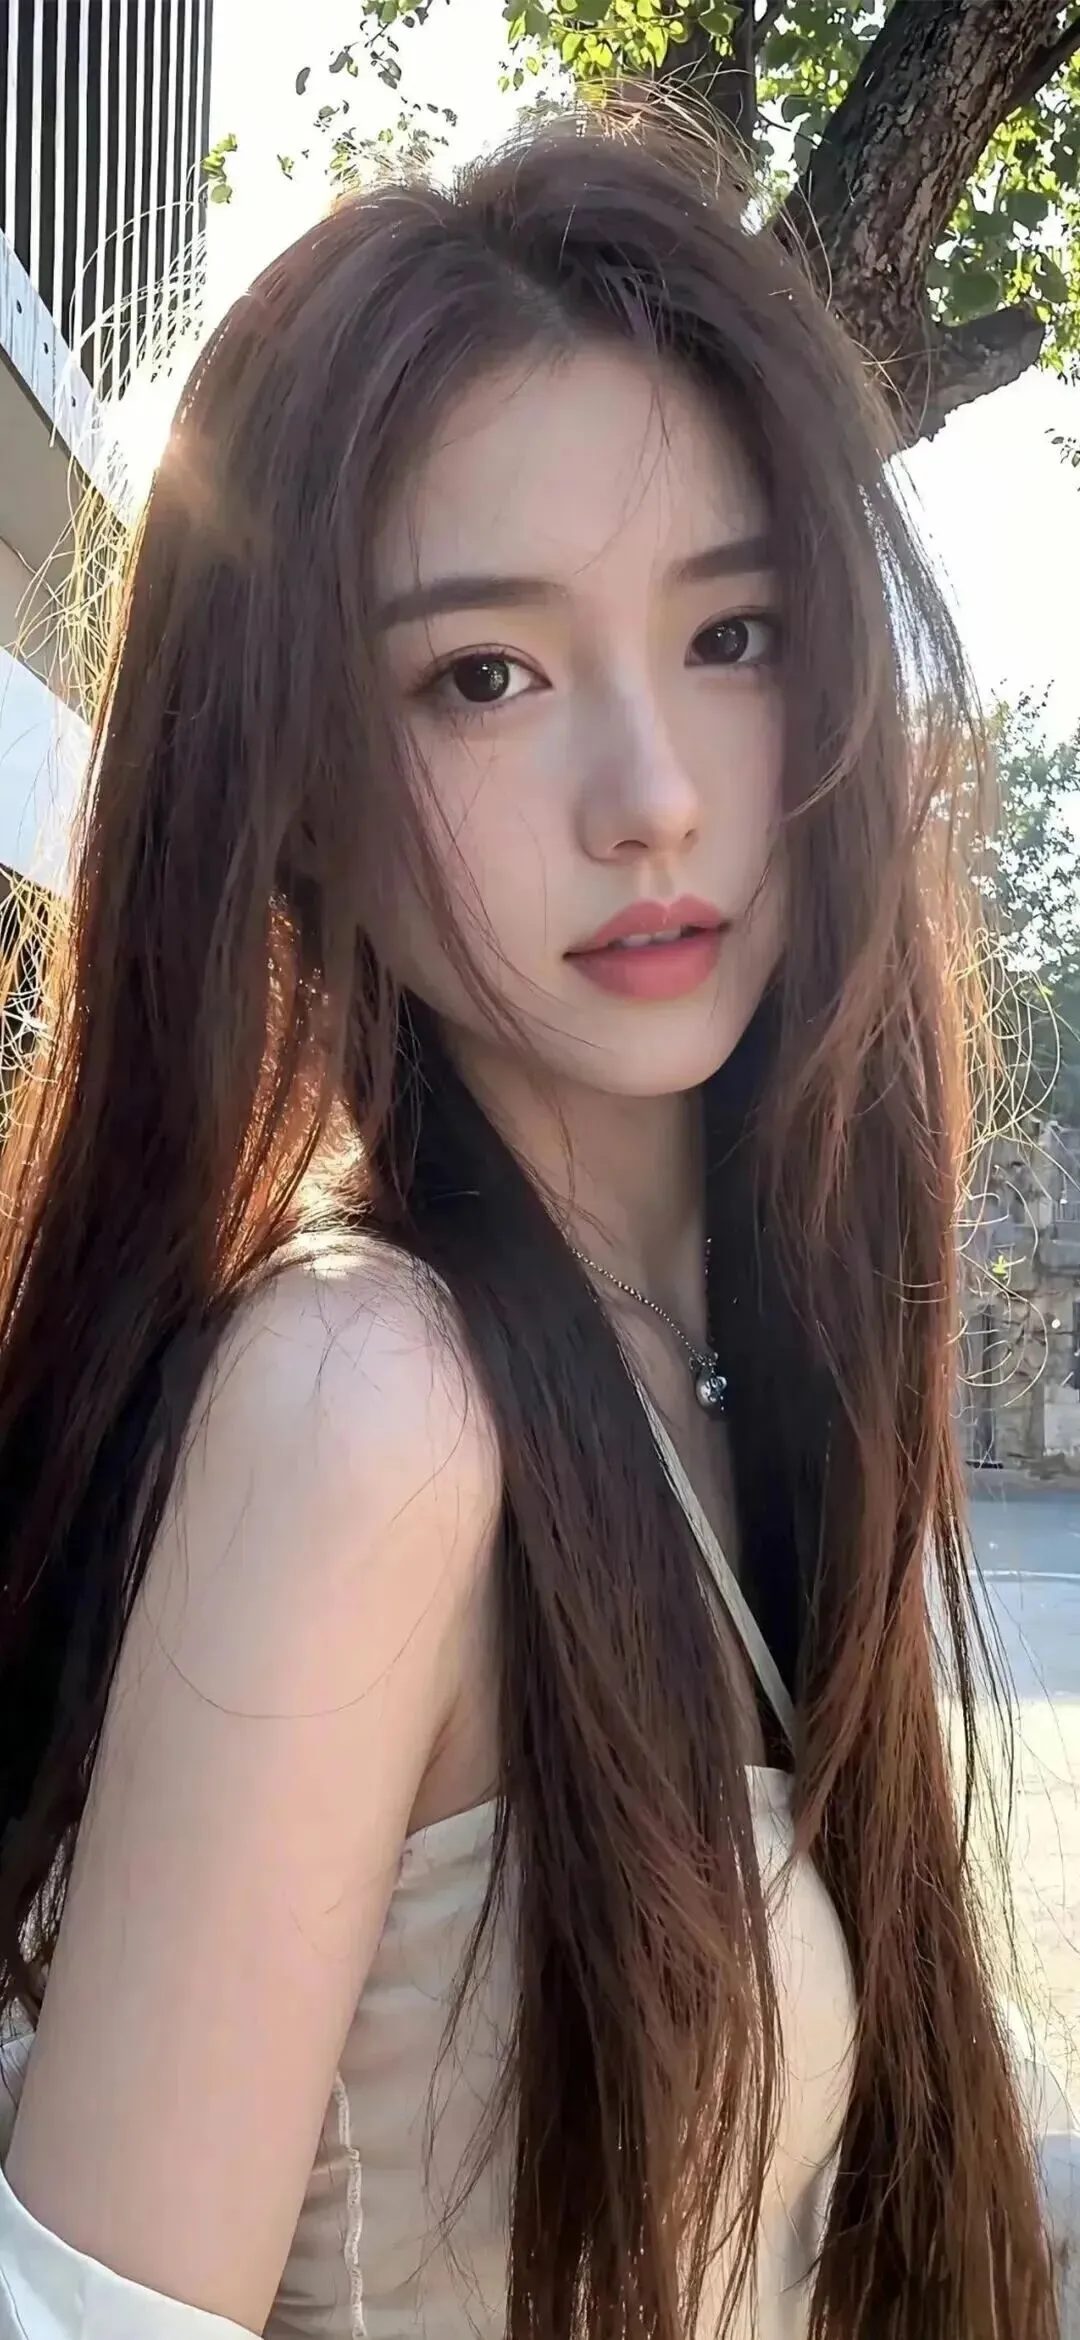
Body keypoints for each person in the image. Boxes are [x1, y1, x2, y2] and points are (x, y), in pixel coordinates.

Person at [0, 109, 1062, 2340]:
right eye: (483, 674)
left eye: (733, 633)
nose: (652, 795)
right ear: (295, 782)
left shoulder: (736, 1367)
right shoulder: (371, 1405)